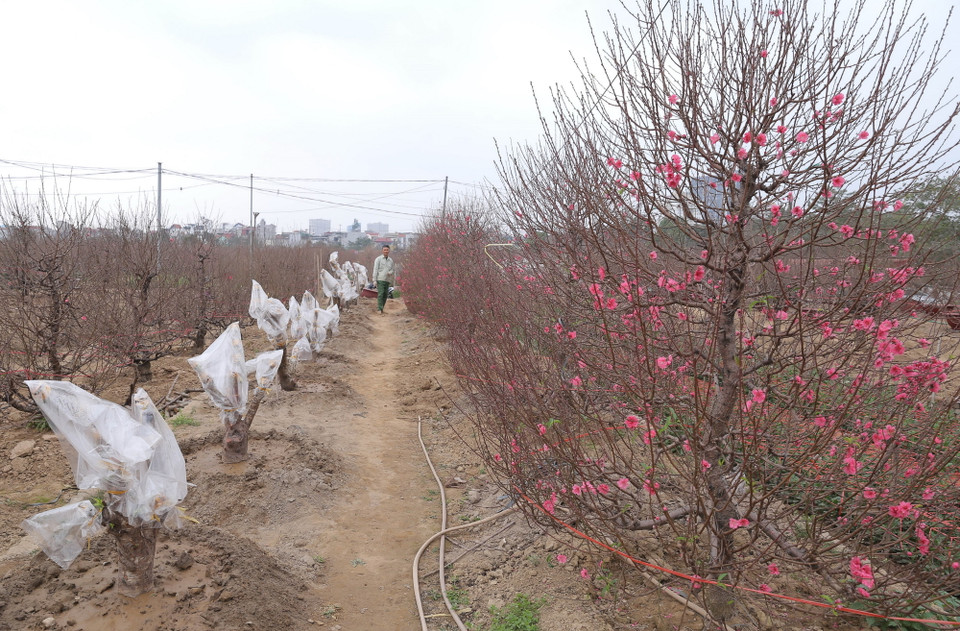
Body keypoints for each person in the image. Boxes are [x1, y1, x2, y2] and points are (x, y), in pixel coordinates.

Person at [371, 245, 395, 314]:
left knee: (385, 294)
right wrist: (374, 280)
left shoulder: (391, 260)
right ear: (382, 251)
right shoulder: (378, 259)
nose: (386, 251)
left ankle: (382, 308)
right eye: (384, 250)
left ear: (389, 251)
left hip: (387, 280)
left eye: (387, 250)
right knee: (381, 294)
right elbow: (375, 269)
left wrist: (390, 272)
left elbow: (392, 269)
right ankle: (379, 308)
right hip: (380, 279)